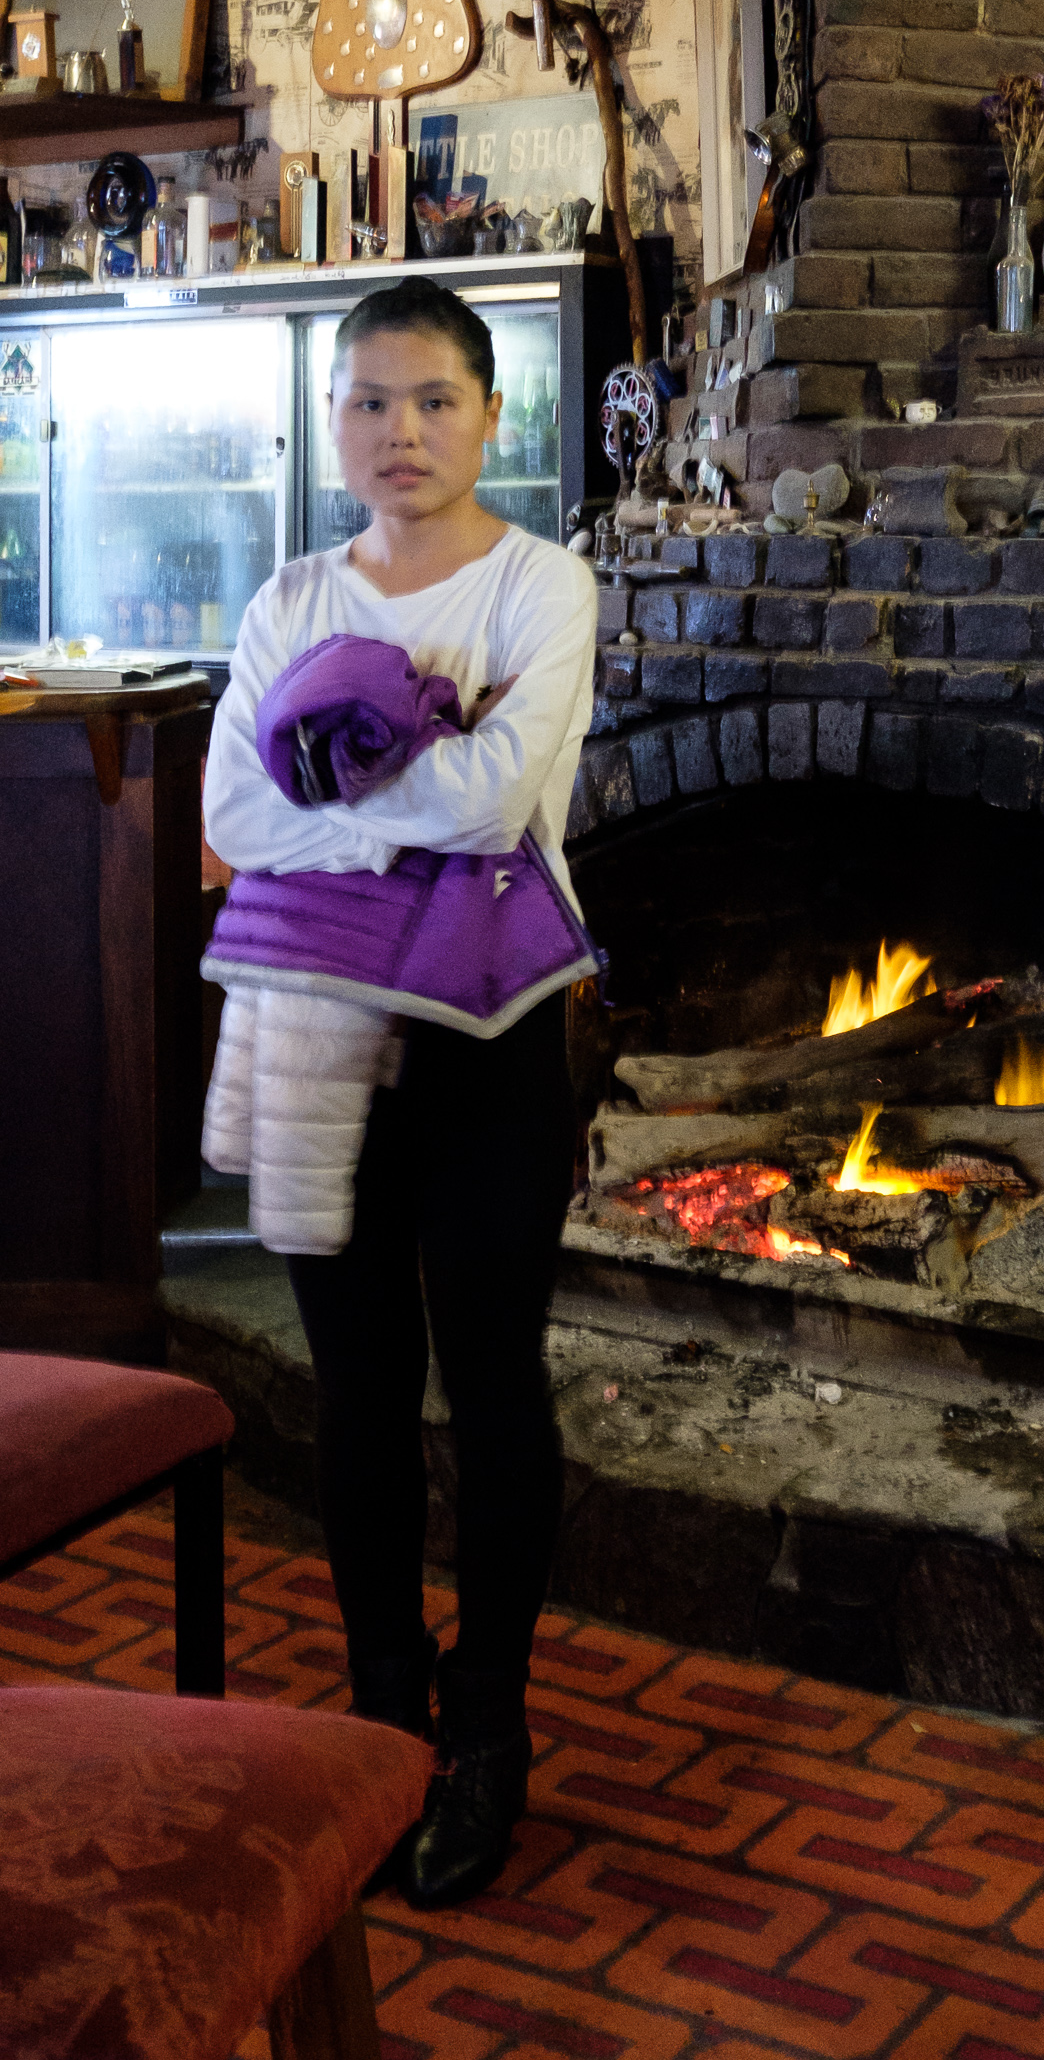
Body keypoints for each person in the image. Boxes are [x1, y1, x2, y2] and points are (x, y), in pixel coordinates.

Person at [202, 276, 598, 1907]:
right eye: (369, 401)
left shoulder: (543, 585)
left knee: (494, 1386)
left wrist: (332, 802)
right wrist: (404, 801)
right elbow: (233, 809)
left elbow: (502, 800)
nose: (401, 432)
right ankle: (384, 1710)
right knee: (357, 1391)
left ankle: (489, 1725)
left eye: (434, 399)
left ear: (493, 414)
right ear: (334, 420)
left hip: (492, 1038)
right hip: (320, 1036)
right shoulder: (291, 597)